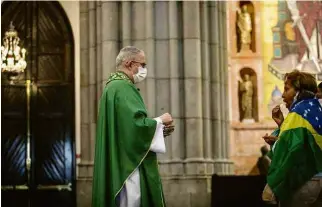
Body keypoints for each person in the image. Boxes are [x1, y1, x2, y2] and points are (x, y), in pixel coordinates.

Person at [92, 46, 175, 207]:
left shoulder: (112, 87)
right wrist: (160, 121)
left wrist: (158, 131)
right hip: (129, 166)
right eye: (142, 65)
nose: (144, 69)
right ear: (130, 63)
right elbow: (135, 126)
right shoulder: (123, 88)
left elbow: (125, 129)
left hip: (121, 159)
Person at [262, 70, 322, 206]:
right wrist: (282, 126)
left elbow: (288, 151)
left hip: (305, 182)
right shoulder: (316, 109)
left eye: (287, 89)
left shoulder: (298, 113)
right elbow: (307, 143)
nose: (283, 95)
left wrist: (271, 187)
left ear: (298, 91)